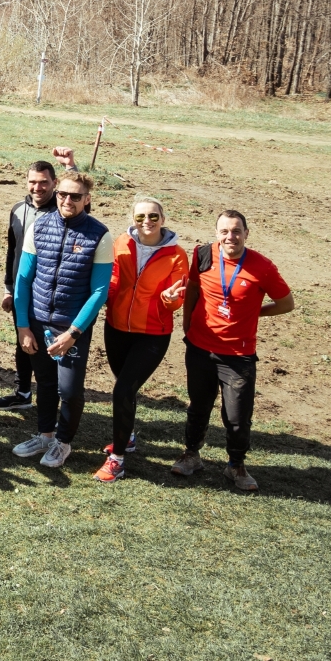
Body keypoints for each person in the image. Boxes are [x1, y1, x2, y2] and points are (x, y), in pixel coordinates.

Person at [173, 211, 293, 492]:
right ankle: (191, 454)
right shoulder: (203, 255)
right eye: (225, 231)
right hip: (200, 348)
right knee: (198, 406)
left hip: (238, 356)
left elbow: (286, 303)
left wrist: (253, 315)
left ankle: (235, 465)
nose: (231, 237)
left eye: (236, 231)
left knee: (238, 416)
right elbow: (192, 289)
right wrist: (188, 325)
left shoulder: (262, 266)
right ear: (217, 234)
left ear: (246, 234)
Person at [10, 171, 113, 469]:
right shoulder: (40, 226)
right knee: (44, 381)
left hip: (72, 327)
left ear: (87, 199)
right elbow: (24, 279)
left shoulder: (99, 235)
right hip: (37, 321)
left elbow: (98, 291)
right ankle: (45, 435)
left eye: (75, 196)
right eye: (63, 195)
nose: (68, 200)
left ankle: (63, 443)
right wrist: (23, 326)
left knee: (68, 390)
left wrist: (73, 333)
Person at [97, 196, 189, 483]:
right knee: (124, 385)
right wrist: (103, 295)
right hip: (116, 327)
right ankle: (129, 436)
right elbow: (113, 278)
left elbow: (177, 299)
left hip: (152, 334)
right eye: (140, 217)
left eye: (153, 216)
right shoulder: (121, 243)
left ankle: (117, 459)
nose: (146, 222)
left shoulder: (177, 255)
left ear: (163, 219)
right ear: (132, 219)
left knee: (123, 390)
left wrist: (170, 298)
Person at [0, 157, 72, 410]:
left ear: (55, 183)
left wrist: (71, 166)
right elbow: (11, 252)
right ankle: (23, 392)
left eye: (44, 183)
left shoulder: (64, 210)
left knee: (53, 344)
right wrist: (8, 288)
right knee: (23, 341)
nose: (38, 188)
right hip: (21, 291)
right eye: (33, 182)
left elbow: (80, 197)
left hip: (52, 294)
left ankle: (57, 397)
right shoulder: (17, 209)